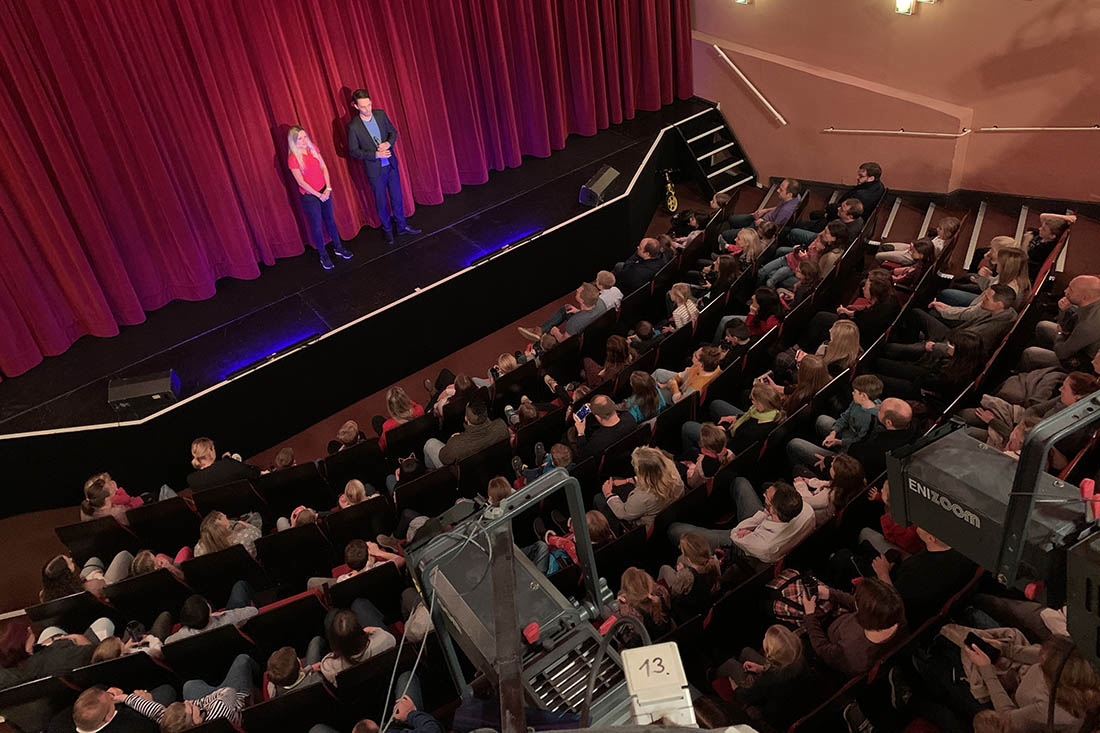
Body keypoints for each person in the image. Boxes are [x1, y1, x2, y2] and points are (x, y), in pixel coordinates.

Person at [966, 634, 1100, 731]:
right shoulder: (1081, 667)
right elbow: (1047, 657)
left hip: (1012, 703)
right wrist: (1005, 649)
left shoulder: (1052, 711)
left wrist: (986, 669)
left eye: (1043, 665)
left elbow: (1006, 718)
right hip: (1023, 674)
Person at [668, 479, 814, 563]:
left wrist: (750, 527)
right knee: (740, 482)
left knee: (675, 531)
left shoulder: (764, 546)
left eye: (766, 497)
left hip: (743, 549)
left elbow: (735, 534)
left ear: (773, 510)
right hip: (762, 525)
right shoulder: (806, 511)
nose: (765, 492)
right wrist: (764, 515)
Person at [346, 88, 421, 244]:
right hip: (375, 171)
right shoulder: (353, 126)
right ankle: (387, 230)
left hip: (391, 166)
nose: (368, 109)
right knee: (381, 202)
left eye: (369, 105)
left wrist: (388, 143)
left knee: (397, 198)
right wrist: (375, 154)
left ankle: (401, 226)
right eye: (363, 106)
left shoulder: (380, 114)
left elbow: (393, 132)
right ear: (355, 106)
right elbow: (353, 151)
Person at [119, 652, 258, 729]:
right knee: (242, 659)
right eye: (189, 706)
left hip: (209, 703)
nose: (187, 701)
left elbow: (154, 710)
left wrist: (124, 698)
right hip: (234, 699)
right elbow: (228, 692)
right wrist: (199, 703)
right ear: (195, 722)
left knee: (189, 686)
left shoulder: (174, 727)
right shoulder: (218, 711)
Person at [871, 526, 977, 625]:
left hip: (895, 603)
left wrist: (882, 573)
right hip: (937, 600)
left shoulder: (917, 576)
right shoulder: (967, 551)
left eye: (922, 523)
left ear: (931, 538)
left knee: (866, 533)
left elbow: (895, 605)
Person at [800, 576, 905, 676]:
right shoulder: (895, 614)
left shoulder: (851, 655)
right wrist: (831, 593)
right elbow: (866, 606)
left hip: (825, 634)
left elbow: (823, 650)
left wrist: (809, 616)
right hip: (840, 620)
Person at [713, 625, 812, 727]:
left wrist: (736, 688)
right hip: (790, 693)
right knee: (746, 651)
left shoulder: (769, 678)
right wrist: (762, 668)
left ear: (771, 651)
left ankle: (711, 676)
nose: (764, 639)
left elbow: (747, 697)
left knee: (731, 665)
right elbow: (781, 671)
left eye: (766, 638)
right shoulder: (800, 657)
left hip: (775, 716)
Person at [287, 126, 353, 270]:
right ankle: (323, 255)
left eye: (305, 137)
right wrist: (319, 195)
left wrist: (328, 188)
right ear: (293, 142)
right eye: (300, 138)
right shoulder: (293, 159)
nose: (304, 141)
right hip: (311, 197)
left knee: (331, 220)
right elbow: (301, 182)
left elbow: (324, 167)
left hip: (325, 191)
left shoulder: (313, 149)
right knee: (316, 226)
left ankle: (338, 247)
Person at [785, 374, 882, 467]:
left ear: (863, 396)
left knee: (794, 444)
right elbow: (845, 416)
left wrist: (839, 442)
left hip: (851, 452)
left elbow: (860, 442)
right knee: (822, 420)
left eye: (855, 391)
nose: (852, 393)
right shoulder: (859, 401)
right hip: (848, 435)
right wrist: (833, 432)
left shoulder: (871, 419)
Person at [1020, 274, 1100, 371]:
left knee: (1030, 354)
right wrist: (1063, 312)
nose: (1065, 291)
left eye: (1071, 289)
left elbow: (1062, 353)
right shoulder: (1091, 302)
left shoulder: (1089, 325)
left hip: (1084, 361)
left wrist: (1060, 333)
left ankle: (1028, 377)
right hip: (1072, 338)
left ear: (1085, 297)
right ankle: (1049, 354)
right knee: (1042, 326)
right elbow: (1067, 324)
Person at [595, 447, 685, 531]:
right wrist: (628, 480)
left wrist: (608, 494)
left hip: (642, 526)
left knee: (598, 498)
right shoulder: (674, 473)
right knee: (615, 480)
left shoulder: (643, 497)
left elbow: (624, 514)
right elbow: (655, 476)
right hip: (667, 512)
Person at [790, 162, 884, 235]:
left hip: (841, 222)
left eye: (861, 176)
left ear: (871, 178)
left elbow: (843, 211)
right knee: (814, 215)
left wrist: (828, 212)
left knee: (795, 229)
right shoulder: (879, 186)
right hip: (846, 216)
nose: (857, 178)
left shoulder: (861, 196)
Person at [319, 601, 397, 684]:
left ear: (334, 643)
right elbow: (391, 639)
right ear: (361, 632)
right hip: (384, 681)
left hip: (358, 693)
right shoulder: (384, 641)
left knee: (331, 614)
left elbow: (329, 658)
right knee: (359, 604)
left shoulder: (329, 667)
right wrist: (369, 630)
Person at [422, 401, 509, 469]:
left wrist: (452, 440)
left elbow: (443, 458)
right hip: (491, 464)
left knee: (430, 444)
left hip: (466, 475)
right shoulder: (501, 426)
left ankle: (431, 472)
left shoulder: (455, 445)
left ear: (466, 418)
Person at [658, 532, 721, 621]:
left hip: (687, 612)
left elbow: (675, 592)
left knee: (664, 568)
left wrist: (680, 572)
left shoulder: (687, 576)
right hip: (705, 603)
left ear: (688, 557)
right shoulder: (713, 562)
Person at [718, 178, 803, 243]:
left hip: (760, 229)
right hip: (762, 218)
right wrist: (765, 210)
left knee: (726, 235)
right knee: (732, 219)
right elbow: (778, 208)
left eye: (781, 190)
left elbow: (773, 229)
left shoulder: (786, 212)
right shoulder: (796, 197)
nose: (777, 190)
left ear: (789, 194)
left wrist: (760, 222)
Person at [519, 282, 608, 343]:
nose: (577, 289)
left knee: (554, 330)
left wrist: (555, 332)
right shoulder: (600, 303)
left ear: (582, 300)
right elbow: (590, 313)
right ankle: (540, 330)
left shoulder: (574, 322)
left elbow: (563, 340)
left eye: (578, 292)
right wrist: (578, 311)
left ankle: (542, 339)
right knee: (565, 309)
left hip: (580, 335)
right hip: (590, 329)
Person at [793, 453, 866, 527]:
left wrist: (800, 485)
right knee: (798, 469)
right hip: (822, 500)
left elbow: (807, 502)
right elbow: (829, 483)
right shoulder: (855, 483)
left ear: (837, 476)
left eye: (832, 466)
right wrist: (810, 481)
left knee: (797, 469)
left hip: (816, 516)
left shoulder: (828, 496)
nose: (830, 464)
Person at [165, 587, 258, 644]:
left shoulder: (182, 635)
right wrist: (219, 615)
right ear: (209, 611)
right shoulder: (226, 620)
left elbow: (167, 642)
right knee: (240, 586)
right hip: (228, 639)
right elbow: (254, 611)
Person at [573, 394, 638, 460]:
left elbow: (583, 455)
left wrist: (581, 433)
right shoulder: (629, 418)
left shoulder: (597, 442)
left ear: (597, 417)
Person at [615, 568, 672, 640]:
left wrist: (621, 603)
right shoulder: (662, 591)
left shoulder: (629, 610)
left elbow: (635, 633)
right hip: (671, 634)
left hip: (651, 644)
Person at [652, 345, 723, 403]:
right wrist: (667, 384)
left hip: (678, 395)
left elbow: (679, 401)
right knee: (659, 372)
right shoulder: (712, 365)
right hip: (682, 383)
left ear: (701, 364)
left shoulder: (697, 387)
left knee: (654, 394)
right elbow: (682, 375)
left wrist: (674, 386)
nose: (693, 354)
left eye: (695, 356)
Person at [876, 216, 960, 265]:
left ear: (948, 234)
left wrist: (914, 248)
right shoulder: (940, 236)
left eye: (940, 229)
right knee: (885, 246)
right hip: (913, 248)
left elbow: (924, 256)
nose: (937, 229)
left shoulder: (939, 247)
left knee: (879, 256)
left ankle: (884, 268)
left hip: (913, 256)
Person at [787, 197, 863, 247]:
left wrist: (815, 242)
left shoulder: (847, 233)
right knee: (794, 231)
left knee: (792, 233)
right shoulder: (858, 219)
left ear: (850, 216)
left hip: (823, 243)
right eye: (840, 206)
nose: (838, 208)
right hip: (822, 236)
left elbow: (829, 246)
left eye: (842, 209)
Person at [1023, 212, 1075, 277]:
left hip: (1027, 273)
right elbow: (1042, 216)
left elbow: (1023, 260)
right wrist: (1066, 218)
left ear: (1052, 236)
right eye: (1041, 226)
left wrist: (1026, 242)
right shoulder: (1042, 235)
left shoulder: (1044, 248)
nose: (1040, 229)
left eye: (1044, 229)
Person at [374, 386, 426, 451]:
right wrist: (403, 401)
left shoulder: (387, 426)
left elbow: (382, 447)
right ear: (406, 399)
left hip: (403, 451)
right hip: (418, 445)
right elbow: (413, 405)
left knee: (376, 420)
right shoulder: (419, 411)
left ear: (390, 407)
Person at [193, 510, 262, 558]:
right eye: (225, 518)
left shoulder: (199, 550)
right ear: (225, 528)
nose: (226, 515)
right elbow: (258, 534)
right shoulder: (246, 537)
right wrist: (244, 524)